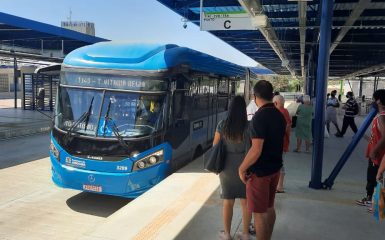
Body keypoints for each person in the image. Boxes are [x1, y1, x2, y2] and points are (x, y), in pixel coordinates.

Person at [239, 80, 286, 240]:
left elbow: (256, 149)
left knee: (259, 214)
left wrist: (241, 168)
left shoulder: (259, 117)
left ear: (254, 96)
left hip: (260, 173)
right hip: (275, 169)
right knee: (269, 207)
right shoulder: (279, 115)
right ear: (272, 96)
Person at [213, 96, 252, 240]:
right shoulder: (249, 126)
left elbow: (215, 146)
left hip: (226, 166)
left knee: (228, 201)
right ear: (244, 109)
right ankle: (246, 233)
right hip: (245, 164)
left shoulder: (222, 125)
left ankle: (227, 234)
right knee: (246, 201)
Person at [356, 89, 385, 207]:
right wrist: (370, 139)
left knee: (373, 176)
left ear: (379, 101)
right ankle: (377, 200)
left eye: (374, 99)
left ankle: (370, 199)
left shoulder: (381, 117)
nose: (372, 101)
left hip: (378, 155)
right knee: (378, 177)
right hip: (379, 152)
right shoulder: (381, 116)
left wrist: (374, 150)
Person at [273, 95, 291, 193]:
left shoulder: (279, 113)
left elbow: (287, 127)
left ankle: (280, 186)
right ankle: (278, 185)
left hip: (280, 143)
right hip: (282, 142)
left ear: (276, 103)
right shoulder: (285, 111)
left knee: (279, 164)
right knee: (279, 163)